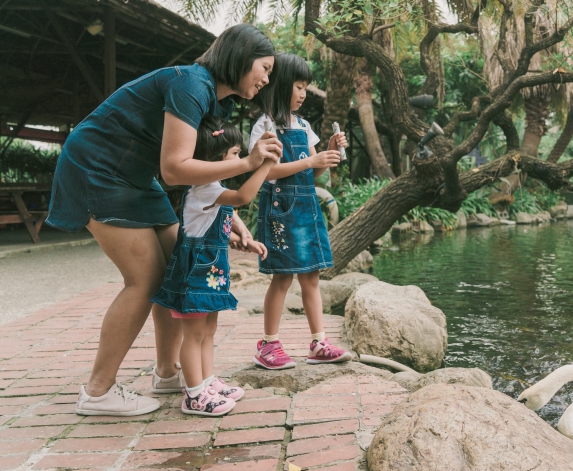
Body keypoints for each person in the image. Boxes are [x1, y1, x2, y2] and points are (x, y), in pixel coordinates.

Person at [46, 24, 283, 416]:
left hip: (136, 175)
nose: (266, 78)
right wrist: (248, 162)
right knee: (146, 278)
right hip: (97, 168)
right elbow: (175, 169)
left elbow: (203, 176)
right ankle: (97, 392)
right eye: (265, 67)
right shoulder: (191, 84)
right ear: (241, 57)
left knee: (180, 260)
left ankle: (169, 371)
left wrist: (232, 219)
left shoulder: (215, 100)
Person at [151, 117, 272, 416]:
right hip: (196, 275)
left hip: (212, 273)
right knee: (193, 334)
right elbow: (242, 197)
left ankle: (205, 382)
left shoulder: (212, 187)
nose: (238, 159)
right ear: (216, 158)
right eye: (234, 154)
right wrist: (265, 165)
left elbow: (222, 216)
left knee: (208, 330)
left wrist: (243, 235)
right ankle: (193, 395)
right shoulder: (203, 188)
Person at [248, 53, 351, 369]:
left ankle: (319, 342)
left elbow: (313, 174)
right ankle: (268, 343)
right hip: (281, 209)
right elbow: (266, 172)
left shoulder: (304, 126)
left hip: (306, 207)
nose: (304, 93)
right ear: (280, 86)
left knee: (311, 277)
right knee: (281, 278)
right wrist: (311, 160)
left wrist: (331, 151)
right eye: (299, 86)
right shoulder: (266, 125)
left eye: (306, 87)